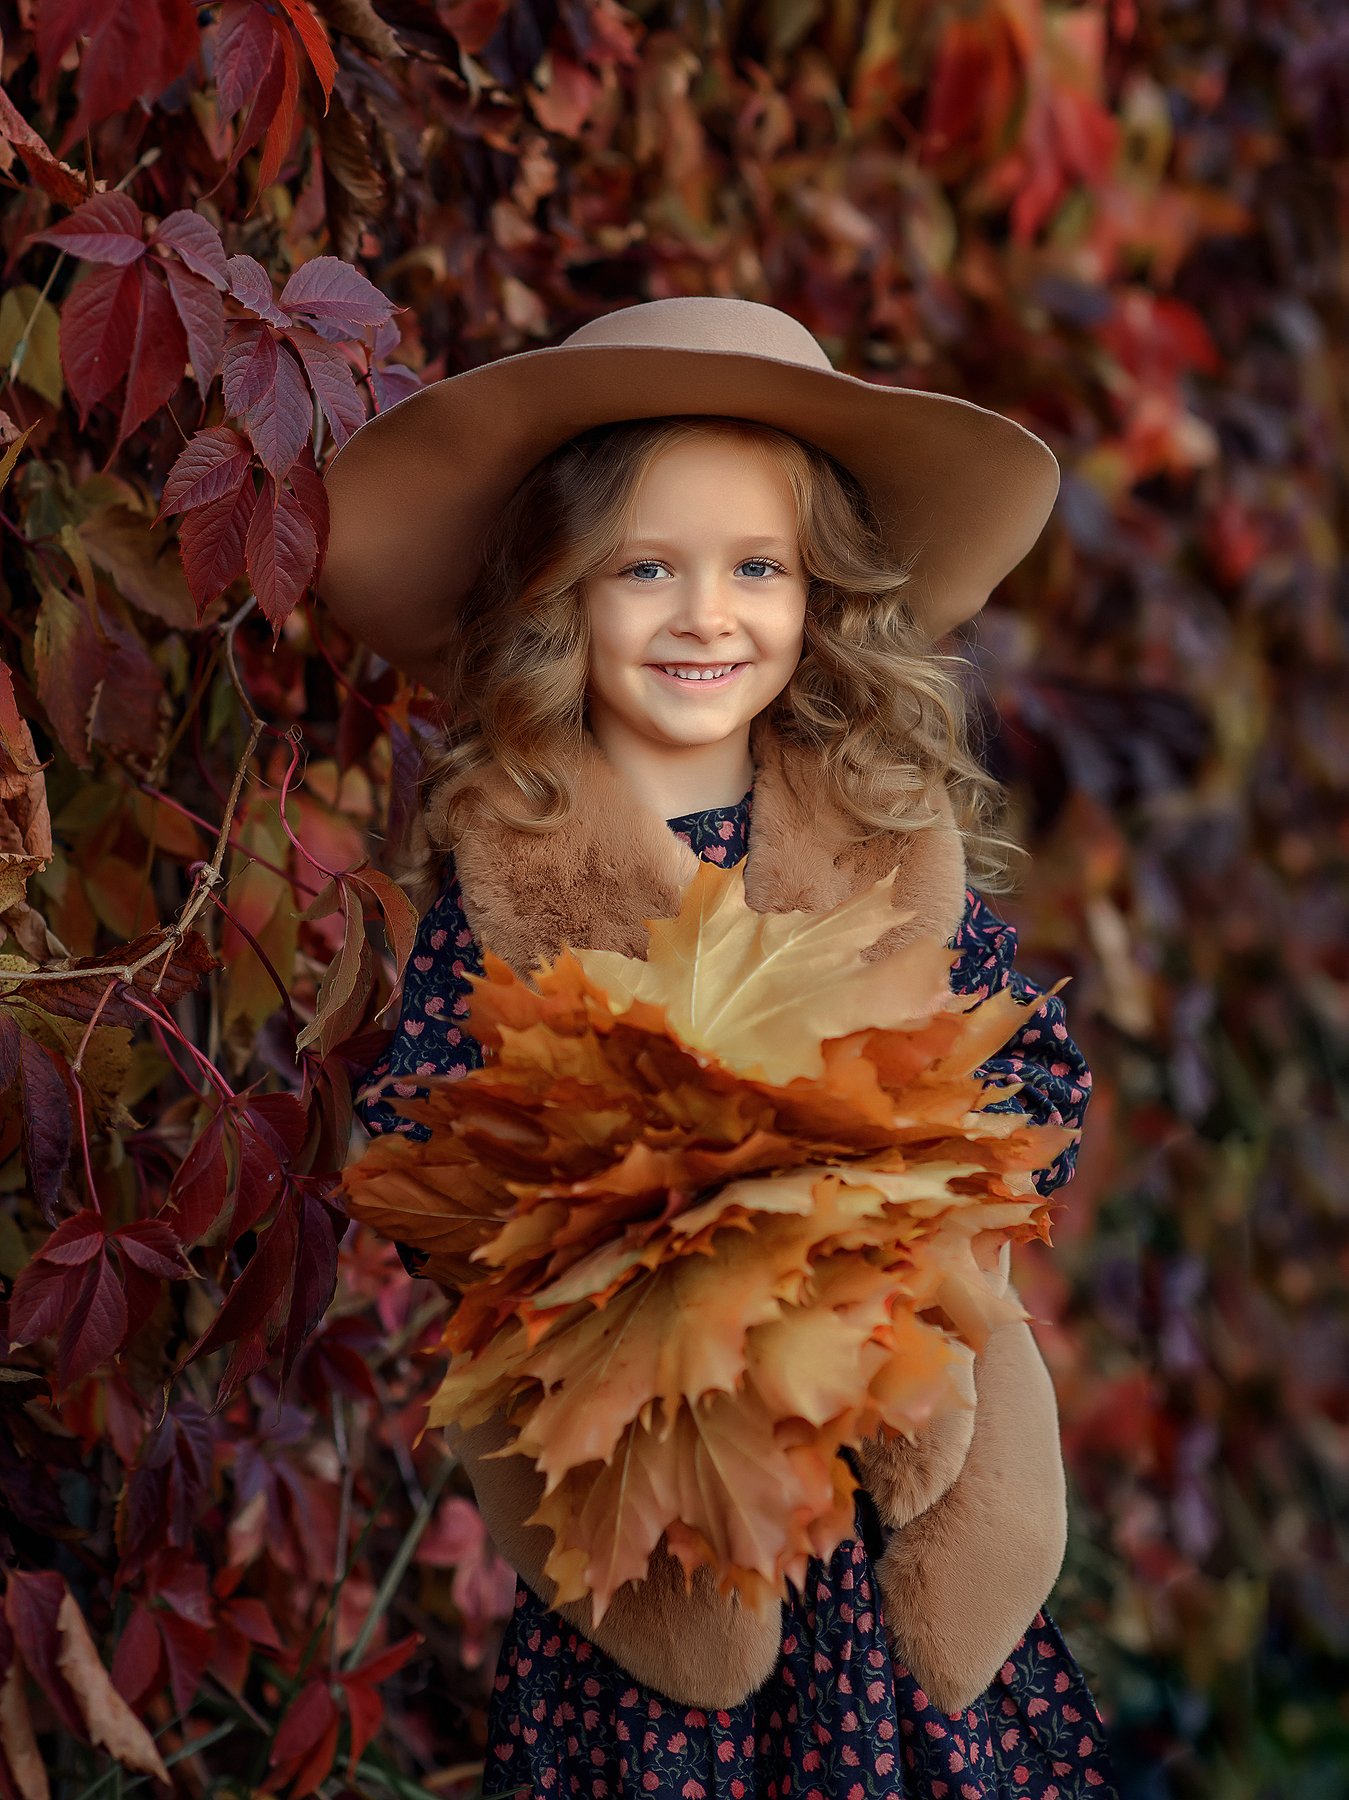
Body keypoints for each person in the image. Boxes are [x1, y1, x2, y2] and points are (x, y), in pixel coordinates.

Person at [319, 297, 1121, 1799]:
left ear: (819, 594)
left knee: (922, 1722)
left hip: (891, 1447)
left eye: (757, 566)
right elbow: (436, 1132)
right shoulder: (516, 861)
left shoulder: (887, 839)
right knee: (679, 1728)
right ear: (560, 594)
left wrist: (889, 1184)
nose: (707, 614)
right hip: (657, 1468)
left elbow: (1025, 1083)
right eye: (647, 569)